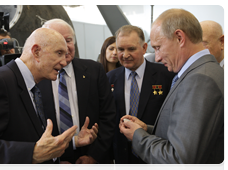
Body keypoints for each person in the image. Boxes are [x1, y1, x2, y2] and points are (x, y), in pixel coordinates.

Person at [120, 8, 225, 170]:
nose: (157, 57)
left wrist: (138, 136)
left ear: (179, 38)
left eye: (158, 47)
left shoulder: (200, 80)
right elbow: (189, 135)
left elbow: (179, 159)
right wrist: (146, 129)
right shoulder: (203, 72)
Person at [0, 28, 79, 170]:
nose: (64, 62)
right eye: (59, 53)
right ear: (36, 52)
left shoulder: (32, 84)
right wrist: (32, 153)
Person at [37, 19, 116, 170]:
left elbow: (109, 116)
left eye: (68, 40)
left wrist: (93, 157)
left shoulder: (95, 70)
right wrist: (54, 163)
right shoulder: (36, 77)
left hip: (94, 161)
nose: (65, 47)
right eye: (57, 41)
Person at [106, 25, 175, 170]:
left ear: (144, 48)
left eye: (131, 49)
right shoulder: (109, 78)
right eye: (120, 49)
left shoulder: (165, 75)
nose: (125, 55)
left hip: (155, 155)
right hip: (122, 157)